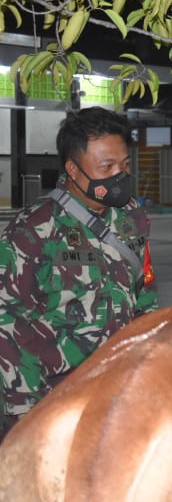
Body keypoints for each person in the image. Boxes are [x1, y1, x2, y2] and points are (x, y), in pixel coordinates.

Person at [0, 106, 158, 440]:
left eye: (124, 165)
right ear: (73, 169)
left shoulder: (131, 219)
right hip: (54, 396)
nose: (120, 175)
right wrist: (25, 413)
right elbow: (8, 324)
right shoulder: (33, 229)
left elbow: (144, 297)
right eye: (107, 166)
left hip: (120, 390)